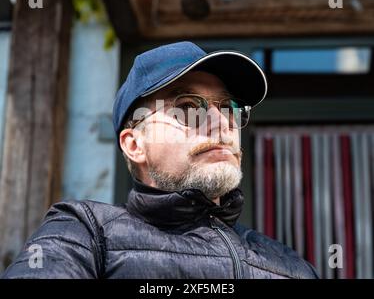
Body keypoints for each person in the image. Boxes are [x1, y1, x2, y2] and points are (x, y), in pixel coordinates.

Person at [2, 41, 318, 279]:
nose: (221, 122)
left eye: (229, 108)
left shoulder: (291, 266)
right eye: (187, 107)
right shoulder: (85, 234)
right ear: (135, 144)